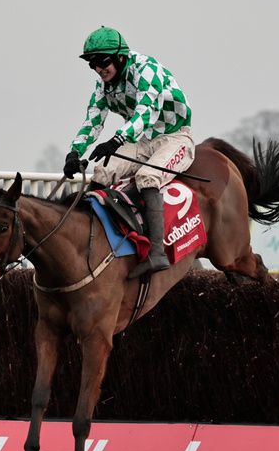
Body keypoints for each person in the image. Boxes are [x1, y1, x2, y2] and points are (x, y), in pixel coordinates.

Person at [63, 26, 194, 278]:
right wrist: (74, 153)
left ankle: (157, 253)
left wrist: (116, 140)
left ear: (120, 57)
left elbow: (144, 114)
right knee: (102, 171)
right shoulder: (103, 85)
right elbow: (92, 121)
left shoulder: (146, 70)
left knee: (147, 177)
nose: (98, 69)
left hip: (175, 137)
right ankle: (89, 238)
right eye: (92, 64)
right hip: (143, 140)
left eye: (103, 61)